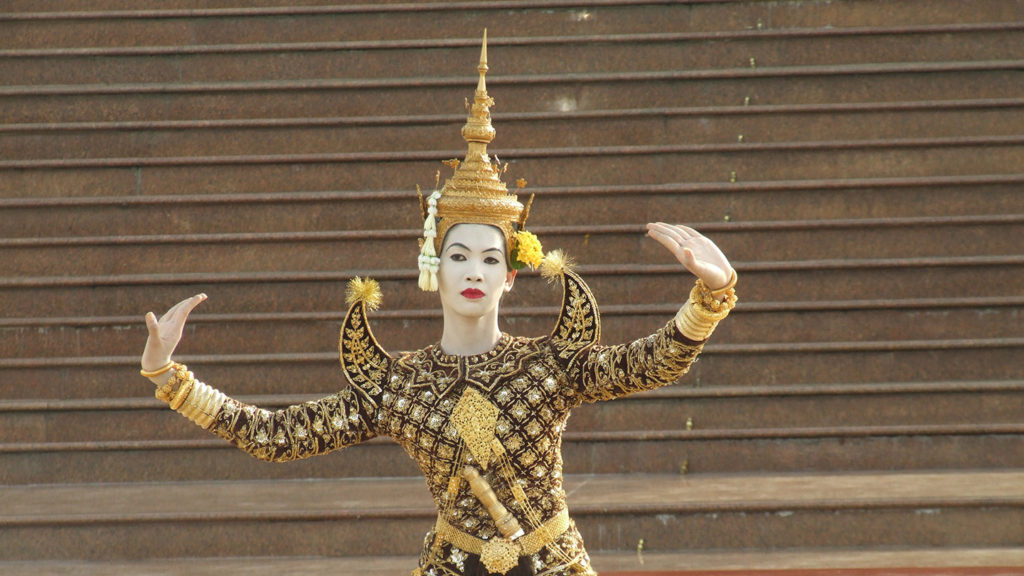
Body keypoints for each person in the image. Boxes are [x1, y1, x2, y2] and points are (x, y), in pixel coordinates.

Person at [139, 33, 737, 576]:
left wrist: (711, 297)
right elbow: (278, 435)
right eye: (457, 257)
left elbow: (651, 362)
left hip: (552, 561)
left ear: (510, 277)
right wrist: (170, 378)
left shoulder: (551, 366)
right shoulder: (399, 386)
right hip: (453, 564)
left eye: (489, 259)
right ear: (433, 269)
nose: (473, 271)